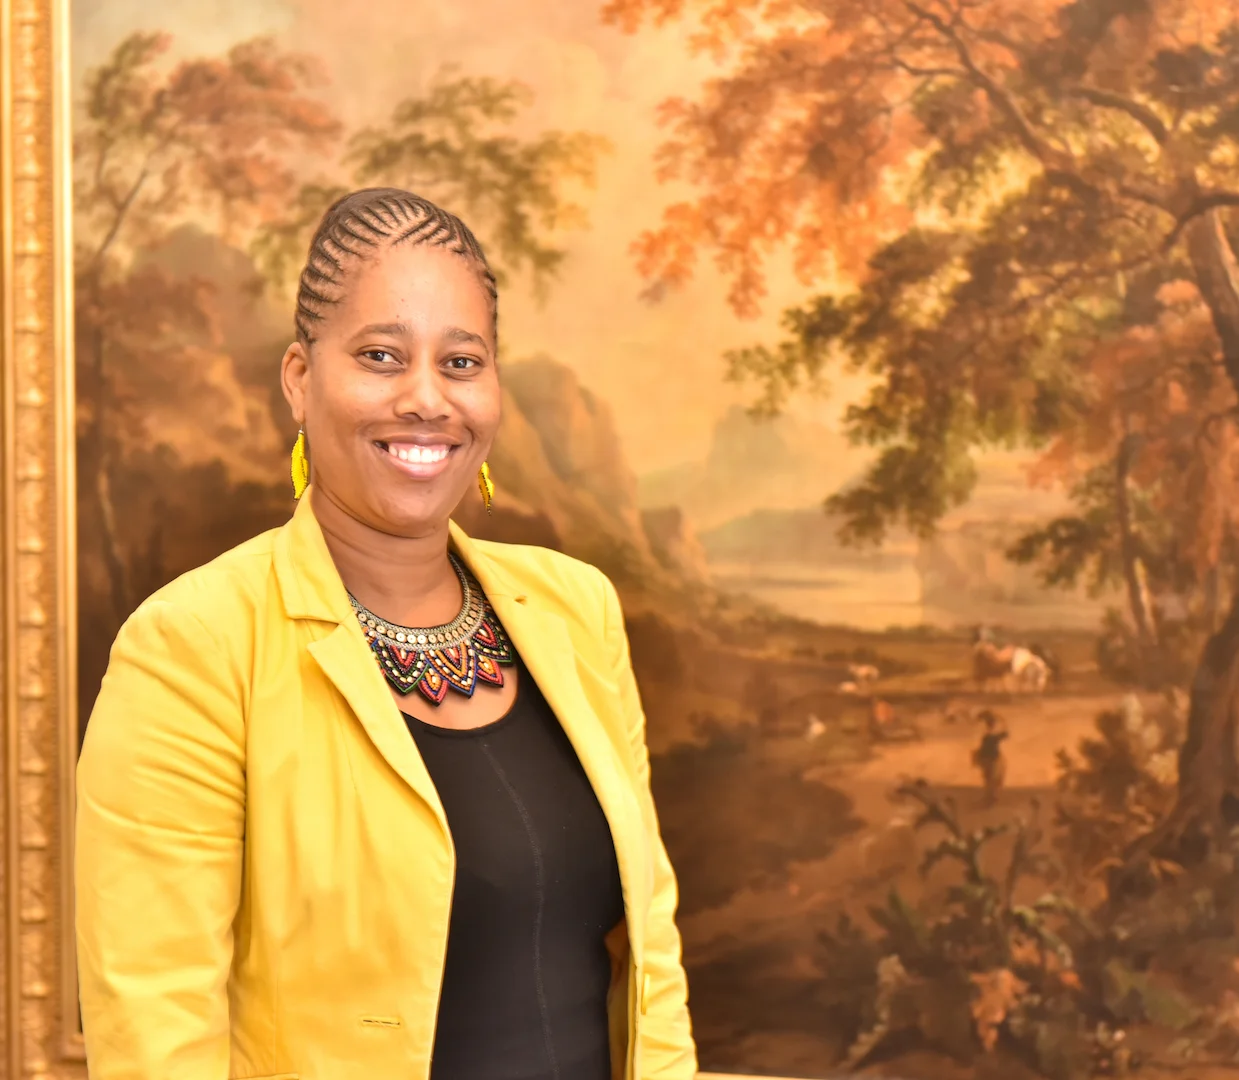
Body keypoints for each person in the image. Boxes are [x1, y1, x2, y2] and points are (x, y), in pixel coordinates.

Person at [75, 188, 697, 1080]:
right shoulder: (192, 650)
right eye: (380, 356)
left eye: (461, 362)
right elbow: (155, 1039)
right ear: (300, 378)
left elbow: (654, 964)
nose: (426, 399)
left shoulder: (576, 611)